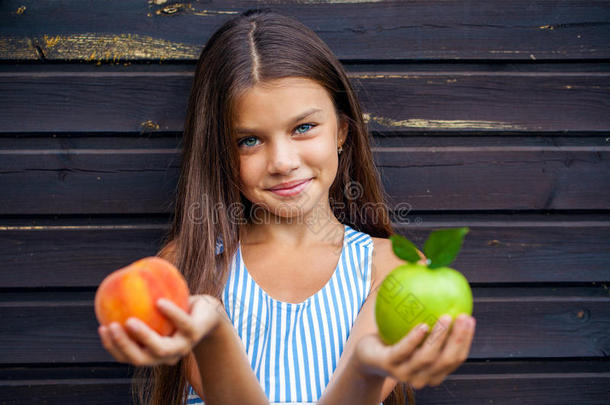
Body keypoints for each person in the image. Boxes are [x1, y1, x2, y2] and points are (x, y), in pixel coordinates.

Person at [97, 8, 476, 405]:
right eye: (249, 140)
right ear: (220, 152)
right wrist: (211, 333)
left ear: (342, 131)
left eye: (303, 128)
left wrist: (365, 366)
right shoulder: (189, 267)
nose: (282, 161)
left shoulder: (393, 270)